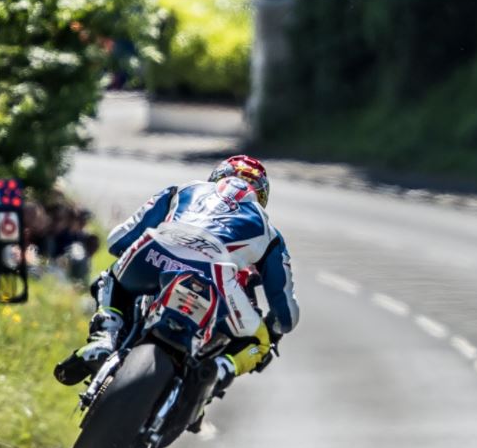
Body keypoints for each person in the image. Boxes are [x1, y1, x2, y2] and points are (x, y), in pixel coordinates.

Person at [54, 155, 300, 392]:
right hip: (215, 278)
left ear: (214, 178)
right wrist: (274, 326)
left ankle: (105, 335)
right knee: (260, 341)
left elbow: (117, 240)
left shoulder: (181, 190)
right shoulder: (269, 231)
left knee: (111, 278)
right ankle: (218, 370)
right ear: (261, 197)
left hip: (156, 252)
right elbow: (286, 315)